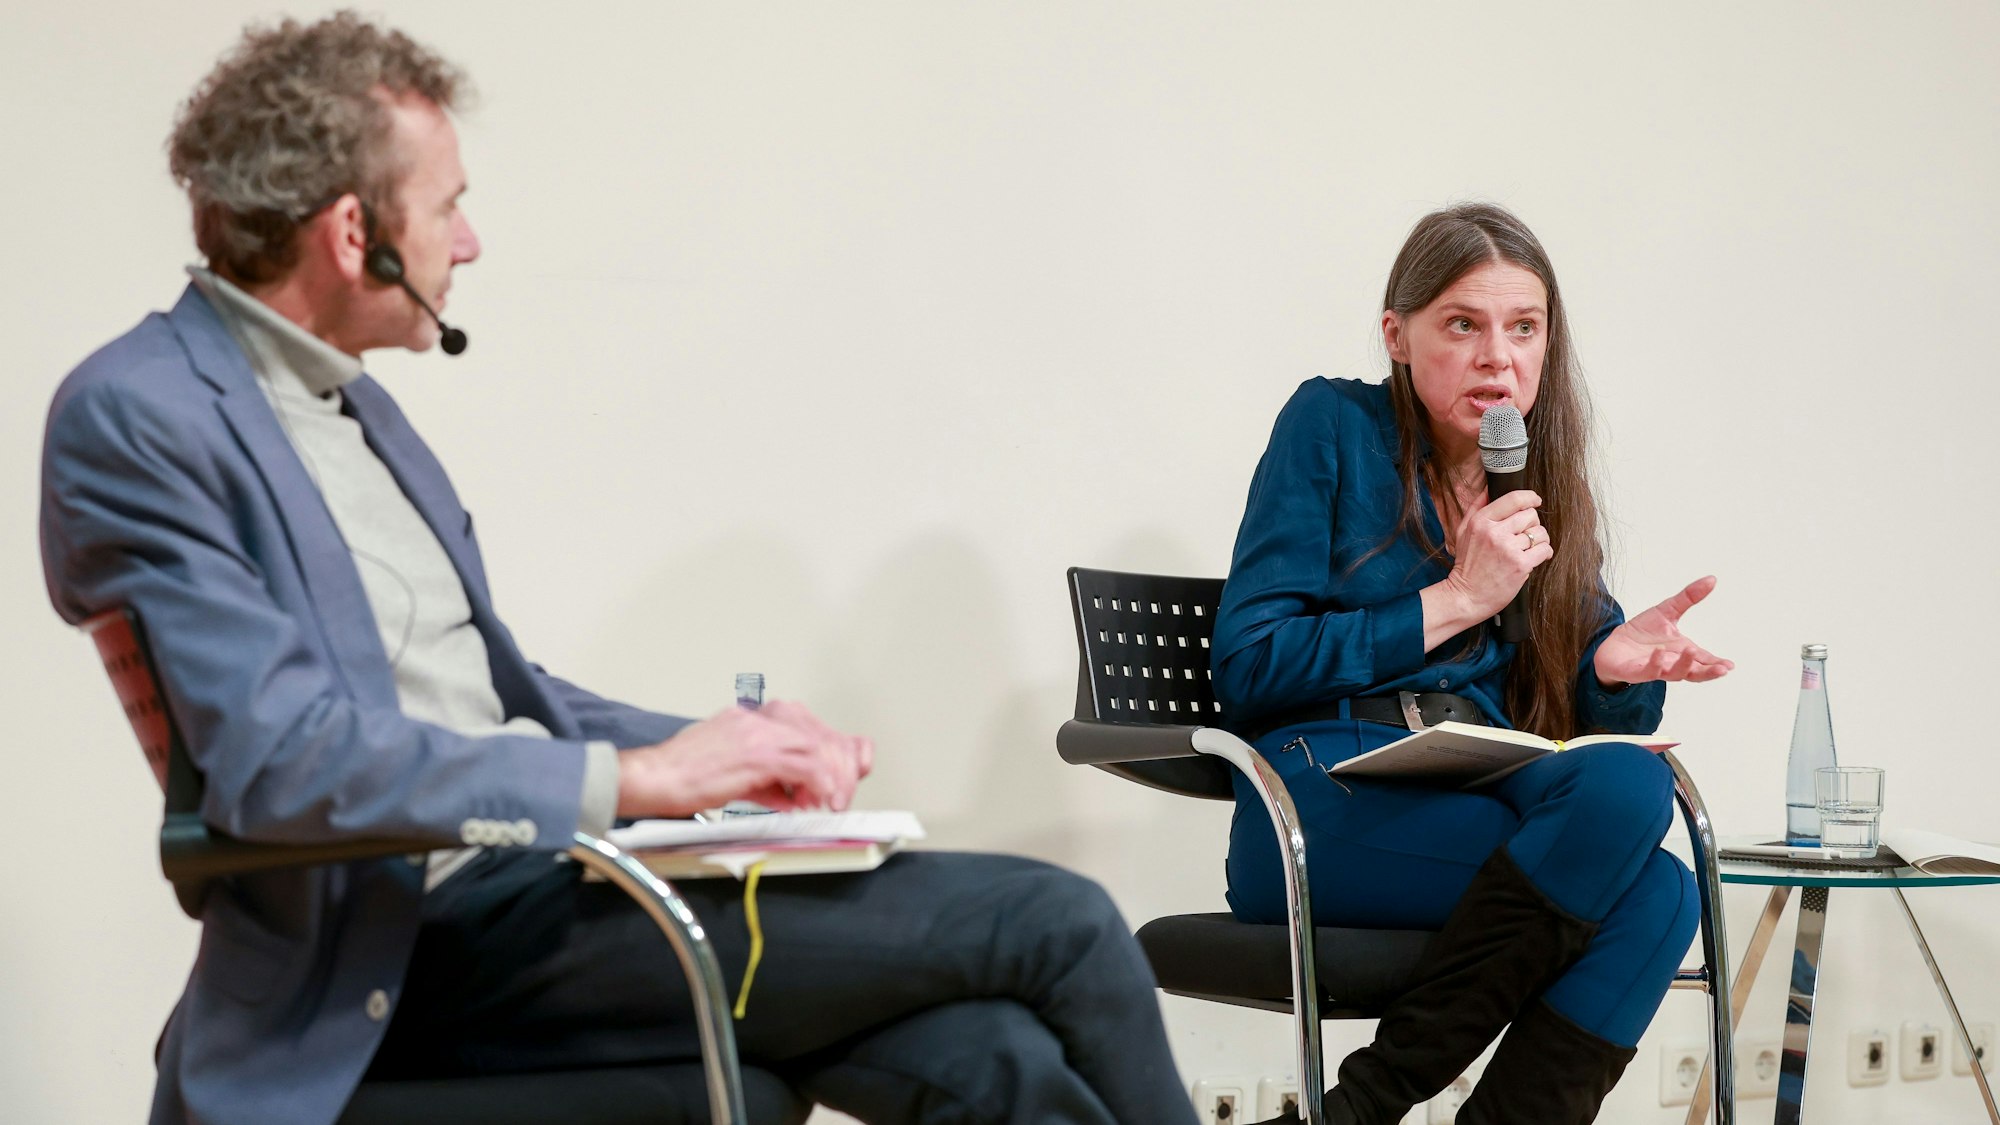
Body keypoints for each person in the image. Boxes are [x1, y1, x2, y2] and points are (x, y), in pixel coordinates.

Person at [38, 14, 1197, 1125]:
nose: (471, 240)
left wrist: (730, 761)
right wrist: (642, 782)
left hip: (538, 886)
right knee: (1060, 921)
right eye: (449, 206)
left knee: (982, 1054)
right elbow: (277, 762)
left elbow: (494, 698)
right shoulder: (138, 416)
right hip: (406, 937)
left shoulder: (353, 409)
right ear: (355, 232)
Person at [1214, 203, 1732, 1125]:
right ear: (1398, 336)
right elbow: (1249, 665)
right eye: (1464, 324)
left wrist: (1609, 670)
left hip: (1469, 788)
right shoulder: (1330, 425)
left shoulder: (1539, 482)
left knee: (1647, 842)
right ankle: (1359, 1114)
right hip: (1314, 804)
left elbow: (1579, 719)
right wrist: (1456, 598)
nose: (1499, 357)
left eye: (1524, 328)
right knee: (1648, 876)